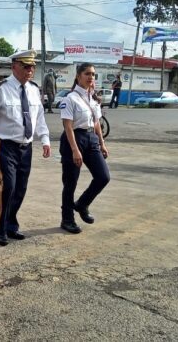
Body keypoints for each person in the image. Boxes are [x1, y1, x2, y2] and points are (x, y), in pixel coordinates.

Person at [0, 50, 51, 246]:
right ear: (14, 66)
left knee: (20, 188)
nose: (30, 70)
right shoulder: (0, 89)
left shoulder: (34, 90)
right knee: (8, 186)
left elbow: (39, 118)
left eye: (32, 67)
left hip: (25, 146)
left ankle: (11, 224)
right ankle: (0, 228)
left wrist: (45, 139)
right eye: (25, 66)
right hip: (5, 145)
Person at [59, 63, 110, 234]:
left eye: (93, 74)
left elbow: (96, 123)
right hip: (74, 139)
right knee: (70, 182)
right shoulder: (70, 98)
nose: (91, 77)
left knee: (103, 177)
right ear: (78, 76)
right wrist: (74, 149)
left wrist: (102, 143)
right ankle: (67, 219)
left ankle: (82, 204)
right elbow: (67, 125)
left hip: (92, 139)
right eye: (87, 74)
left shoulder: (93, 98)